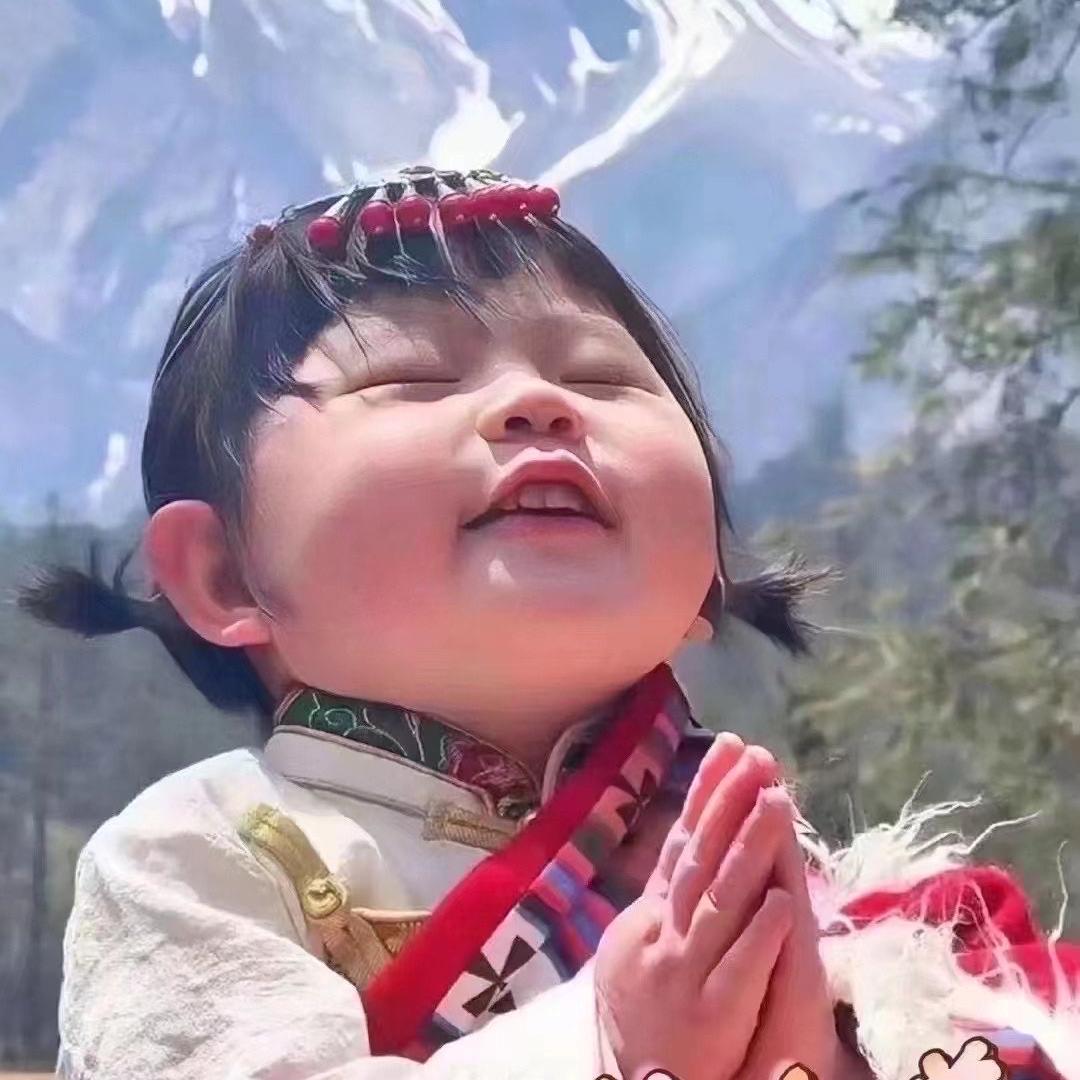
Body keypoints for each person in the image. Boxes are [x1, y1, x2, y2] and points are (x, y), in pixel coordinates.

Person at [21, 166, 1079, 1080]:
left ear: (707, 565)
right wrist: (602, 1040)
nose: (538, 404)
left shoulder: (758, 844)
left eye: (600, 376)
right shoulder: (198, 857)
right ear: (226, 575)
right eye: (411, 377)